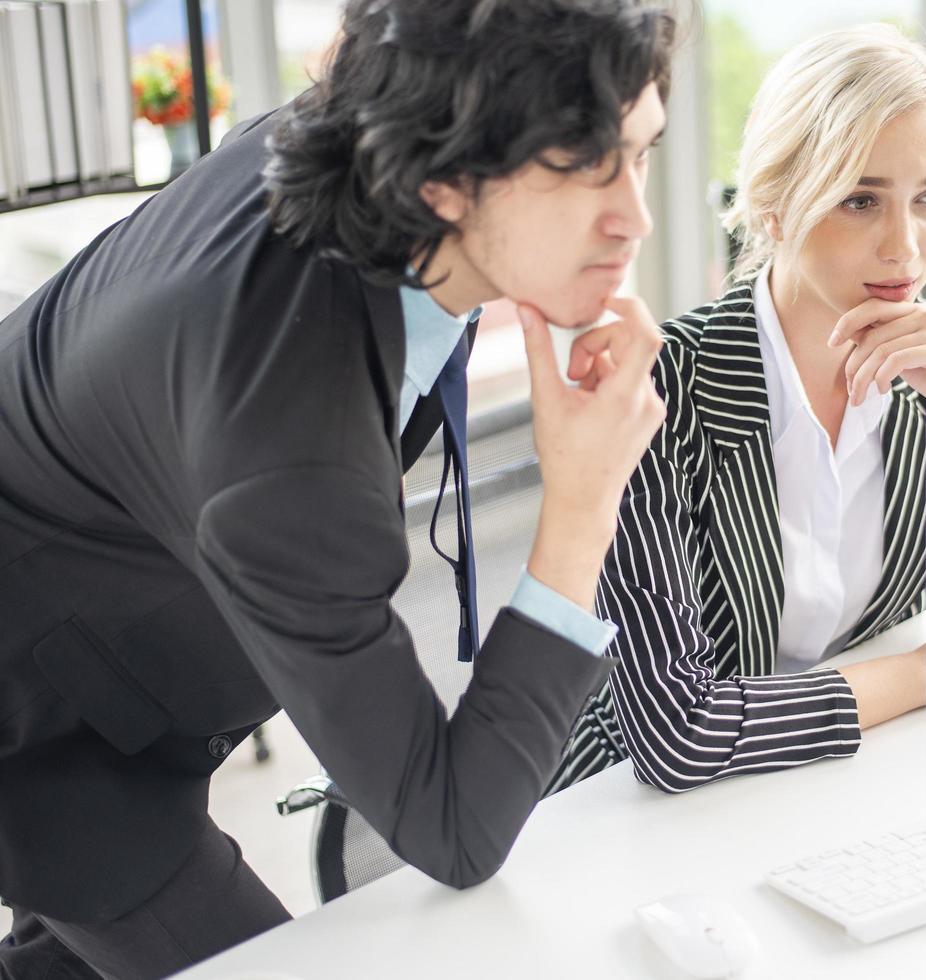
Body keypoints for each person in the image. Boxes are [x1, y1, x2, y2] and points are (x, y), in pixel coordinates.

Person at [0, 1, 675, 976]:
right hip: (52, 753)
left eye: (641, 151)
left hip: (112, 636)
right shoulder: (292, 435)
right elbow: (453, 830)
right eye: (581, 165)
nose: (635, 219)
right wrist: (582, 502)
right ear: (442, 175)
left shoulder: (345, 156)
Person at [546, 23, 926, 795]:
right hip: (623, 816)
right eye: (860, 200)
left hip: (828, 787)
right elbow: (678, 734)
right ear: (775, 206)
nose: (907, 248)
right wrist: (925, 674)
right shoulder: (659, 392)